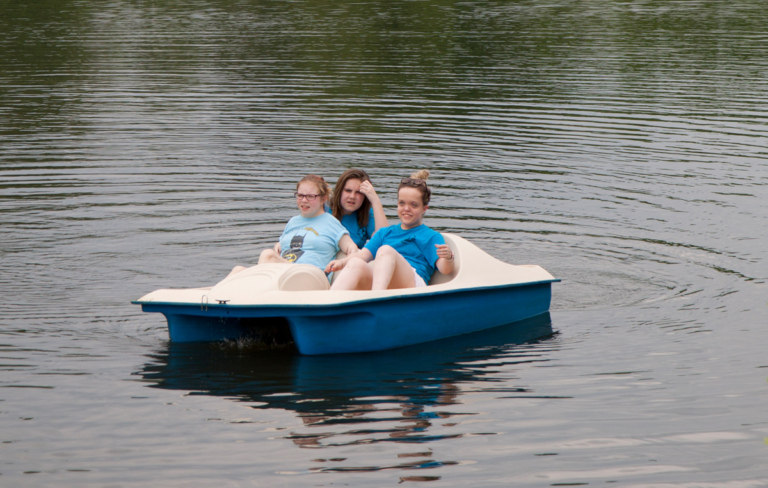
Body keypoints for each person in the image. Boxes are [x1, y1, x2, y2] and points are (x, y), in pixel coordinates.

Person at [325, 170, 454, 290]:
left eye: (413, 205)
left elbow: (445, 269)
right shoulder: (385, 233)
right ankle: (329, 304)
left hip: (413, 285)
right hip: (385, 282)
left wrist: (448, 258)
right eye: (402, 203)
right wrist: (341, 263)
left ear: (424, 208)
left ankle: (377, 300)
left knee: (385, 250)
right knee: (356, 264)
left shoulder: (431, 236)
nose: (406, 209)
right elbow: (362, 256)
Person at [226, 175, 358, 278]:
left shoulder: (331, 222)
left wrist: (343, 262)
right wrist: (279, 245)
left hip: (311, 275)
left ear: (323, 199)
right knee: (237, 270)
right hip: (285, 274)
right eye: (300, 195)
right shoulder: (293, 222)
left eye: (310, 196)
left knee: (267, 255)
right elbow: (281, 250)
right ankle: (212, 304)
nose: (304, 200)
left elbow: (354, 251)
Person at [329, 168, 389, 248]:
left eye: (358, 192)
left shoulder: (367, 214)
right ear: (339, 191)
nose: (352, 196)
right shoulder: (323, 210)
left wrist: (375, 201)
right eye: (348, 190)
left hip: (354, 258)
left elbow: (385, 241)